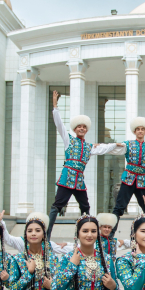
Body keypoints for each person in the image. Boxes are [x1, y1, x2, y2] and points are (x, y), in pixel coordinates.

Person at [46, 91, 122, 241]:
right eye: (79, 127)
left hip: (79, 181)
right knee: (57, 206)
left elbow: (103, 148)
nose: (81, 129)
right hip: (67, 178)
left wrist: (116, 145)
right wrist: (55, 105)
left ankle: (82, 234)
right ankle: (47, 235)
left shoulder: (89, 147)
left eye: (84, 127)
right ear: (75, 129)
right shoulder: (68, 140)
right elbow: (59, 124)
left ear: (86, 130)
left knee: (85, 207)